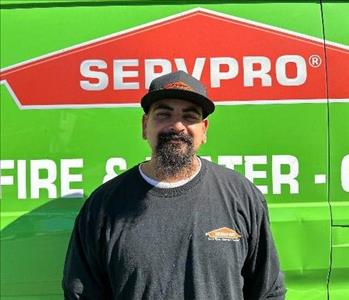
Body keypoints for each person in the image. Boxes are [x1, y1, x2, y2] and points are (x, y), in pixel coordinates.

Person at [62, 70, 286, 299]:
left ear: (204, 130)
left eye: (189, 116)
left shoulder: (241, 195)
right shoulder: (103, 206)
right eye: (163, 114)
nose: (177, 126)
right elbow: (81, 294)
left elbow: (268, 291)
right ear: (144, 125)